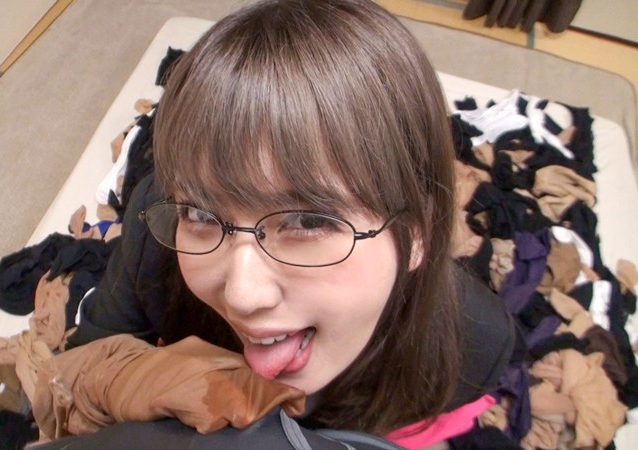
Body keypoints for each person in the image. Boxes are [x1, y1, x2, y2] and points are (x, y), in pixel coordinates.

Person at [47, 0, 515, 447]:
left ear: (417, 232)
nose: (242, 296)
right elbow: (92, 360)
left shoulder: (474, 345)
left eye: (307, 221)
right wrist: (156, 384)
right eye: (202, 215)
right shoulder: (157, 237)